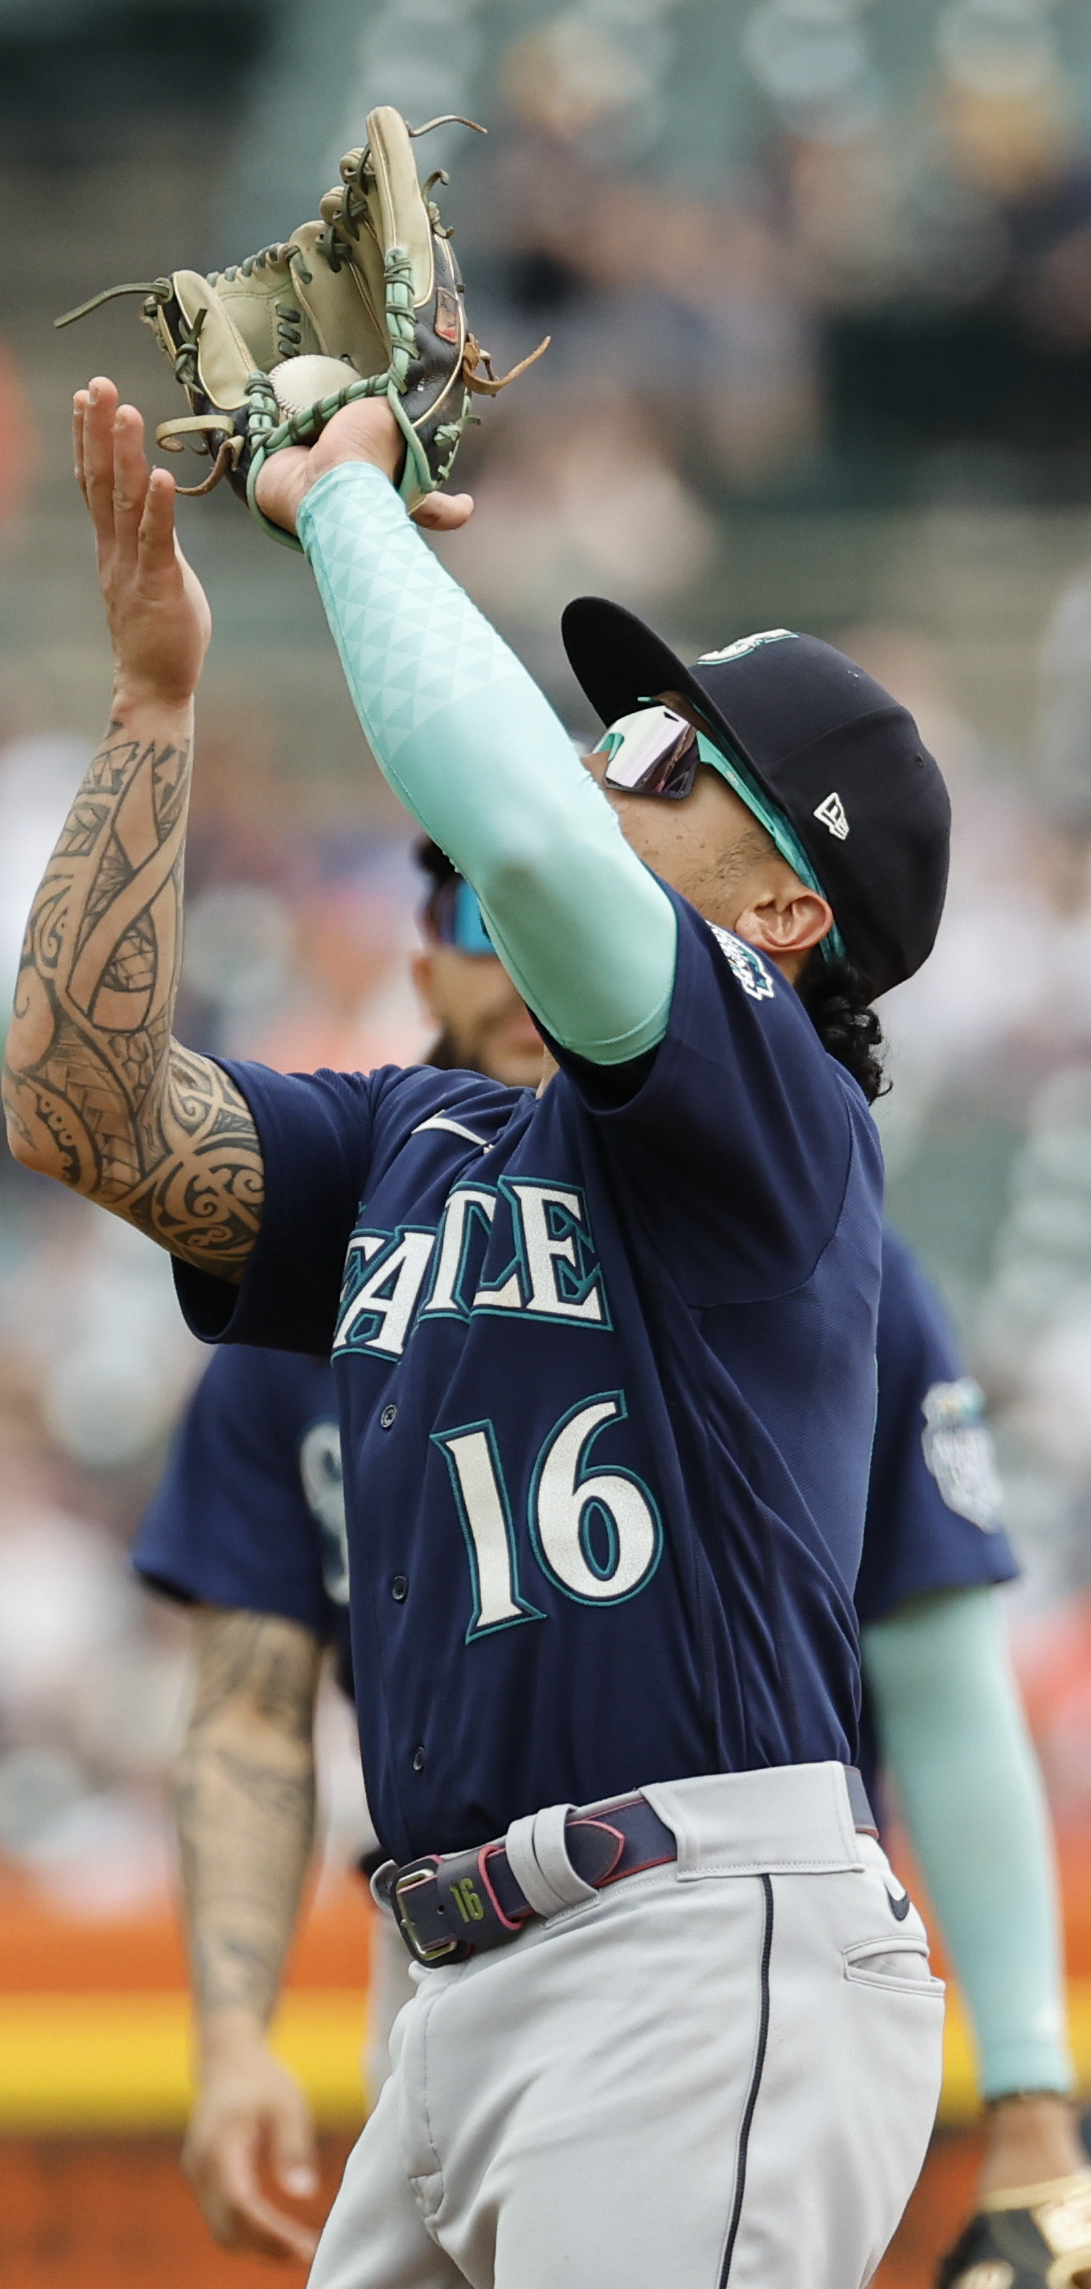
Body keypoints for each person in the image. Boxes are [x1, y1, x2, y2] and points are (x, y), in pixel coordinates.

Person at [6, 378, 951, 2289]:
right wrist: (155, 708)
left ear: (783, 905)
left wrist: (344, 501)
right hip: (450, 1994)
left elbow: (515, 836)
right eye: (616, 729)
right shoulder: (418, 1136)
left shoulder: (773, 1114)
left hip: (687, 1946)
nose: (615, 759)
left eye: (671, 749)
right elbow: (81, 1112)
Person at [135, 841, 1086, 2274]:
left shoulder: (806, 1245)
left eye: (561, 894)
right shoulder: (320, 1294)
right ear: (425, 970)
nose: (524, 939)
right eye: (479, 905)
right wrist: (229, 2033)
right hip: (443, 1958)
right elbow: (250, 1701)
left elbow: (943, 1684)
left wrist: (1027, 2092)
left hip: (706, 1953)